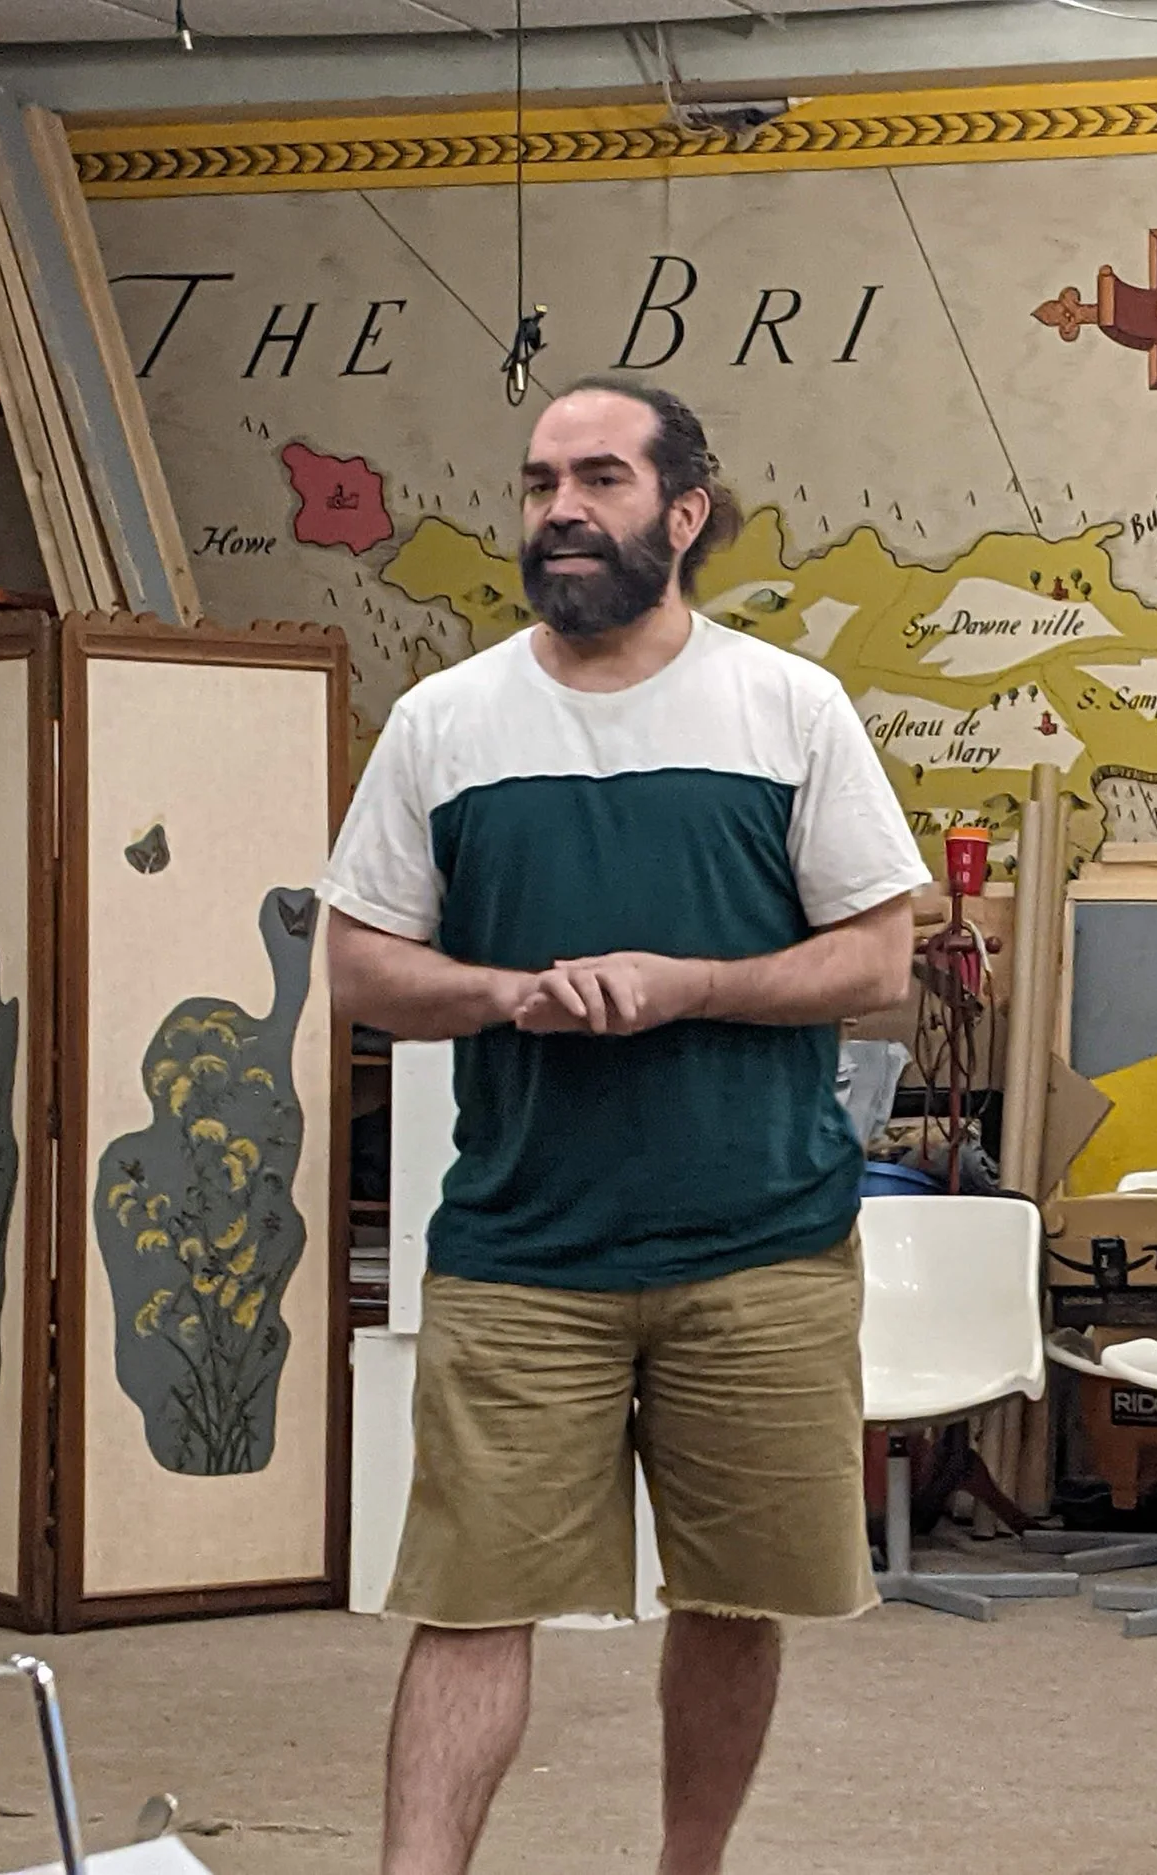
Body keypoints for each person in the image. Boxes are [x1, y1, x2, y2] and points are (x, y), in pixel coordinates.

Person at [319, 376, 929, 1875]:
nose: (562, 510)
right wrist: (505, 995)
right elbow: (359, 964)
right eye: (539, 484)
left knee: (733, 1596)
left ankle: (687, 1866)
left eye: (599, 478)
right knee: (466, 1600)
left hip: (763, 1248)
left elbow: (878, 958)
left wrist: (690, 986)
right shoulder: (444, 721)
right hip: (525, 1251)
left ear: (686, 510)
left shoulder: (787, 708)